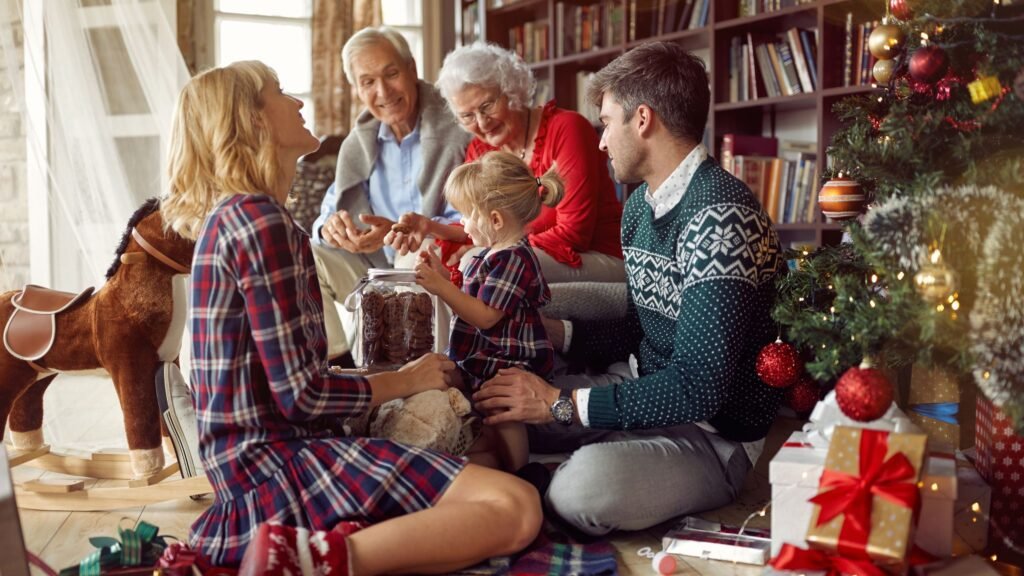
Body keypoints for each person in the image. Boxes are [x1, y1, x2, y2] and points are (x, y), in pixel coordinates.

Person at [161, 60, 540, 572]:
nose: (297, 101)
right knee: (516, 507)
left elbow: (287, 385)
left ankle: (331, 542)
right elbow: (303, 396)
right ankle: (308, 559)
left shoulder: (234, 217)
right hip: (274, 472)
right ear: (252, 122)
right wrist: (406, 380)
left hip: (250, 467)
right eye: (279, 92)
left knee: (471, 474)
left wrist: (388, 381)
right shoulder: (260, 221)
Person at [471, 42, 784, 536]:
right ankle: (556, 470)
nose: (600, 142)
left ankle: (555, 481)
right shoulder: (640, 207)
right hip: (637, 386)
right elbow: (640, 330)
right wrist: (557, 333)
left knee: (582, 490)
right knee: (499, 412)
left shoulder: (720, 215)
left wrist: (559, 403)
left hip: (712, 436)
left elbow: (698, 389)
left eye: (606, 122)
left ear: (642, 120)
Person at [396, 42, 624, 284]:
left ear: (511, 90)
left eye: (487, 106)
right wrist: (430, 226)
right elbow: (479, 224)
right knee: (421, 259)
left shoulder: (567, 129)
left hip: (594, 256)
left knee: (480, 265)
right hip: (523, 251)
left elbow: (573, 234)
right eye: (467, 116)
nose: (482, 123)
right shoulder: (481, 149)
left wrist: (489, 252)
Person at [311, 27, 471, 360]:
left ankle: (418, 374)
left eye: (391, 73)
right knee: (308, 255)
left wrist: (407, 231)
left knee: (416, 254)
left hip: (433, 262)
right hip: (373, 271)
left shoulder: (457, 125)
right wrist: (331, 228)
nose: (383, 91)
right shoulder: (360, 142)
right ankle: (341, 368)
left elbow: (475, 215)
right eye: (368, 82)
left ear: (412, 69)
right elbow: (330, 210)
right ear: (357, 90)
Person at [413, 151, 564, 473]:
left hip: (506, 359)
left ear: (495, 220)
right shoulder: (489, 254)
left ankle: (523, 471)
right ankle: (485, 457)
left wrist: (443, 289)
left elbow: (486, 316)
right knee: (478, 408)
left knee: (502, 411)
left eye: (466, 215)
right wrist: (443, 277)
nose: (462, 224)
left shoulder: (513, 258)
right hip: (483, 354)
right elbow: (473, 295)